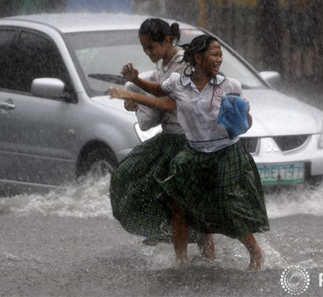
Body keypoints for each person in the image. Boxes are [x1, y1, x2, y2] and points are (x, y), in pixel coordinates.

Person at [108, 34, 269, 270]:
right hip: (194, 153)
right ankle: (181, 261)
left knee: (228, 207)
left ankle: (256, 253)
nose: (219, 60)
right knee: (179, 206)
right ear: (198, 57)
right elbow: (159, 90)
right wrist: (135, 82)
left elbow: (246, 123)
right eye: (214, 55)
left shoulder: (229, 86)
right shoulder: (178, 83)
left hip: (226, 152)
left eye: (220, 55)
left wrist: (240, 116)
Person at [110, 18, 215, 260]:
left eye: (151, 47)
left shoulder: (185, 66)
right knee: (129, 177)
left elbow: (170, 104)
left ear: (168, 40)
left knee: (185, 206)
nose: (148, 53)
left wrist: (137, 88)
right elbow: (153, 113)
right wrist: (134, 102)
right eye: (144, 48)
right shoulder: (161, 66)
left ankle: (189, 262)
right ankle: (170, 240)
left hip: (189, 143)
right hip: (168, 141)